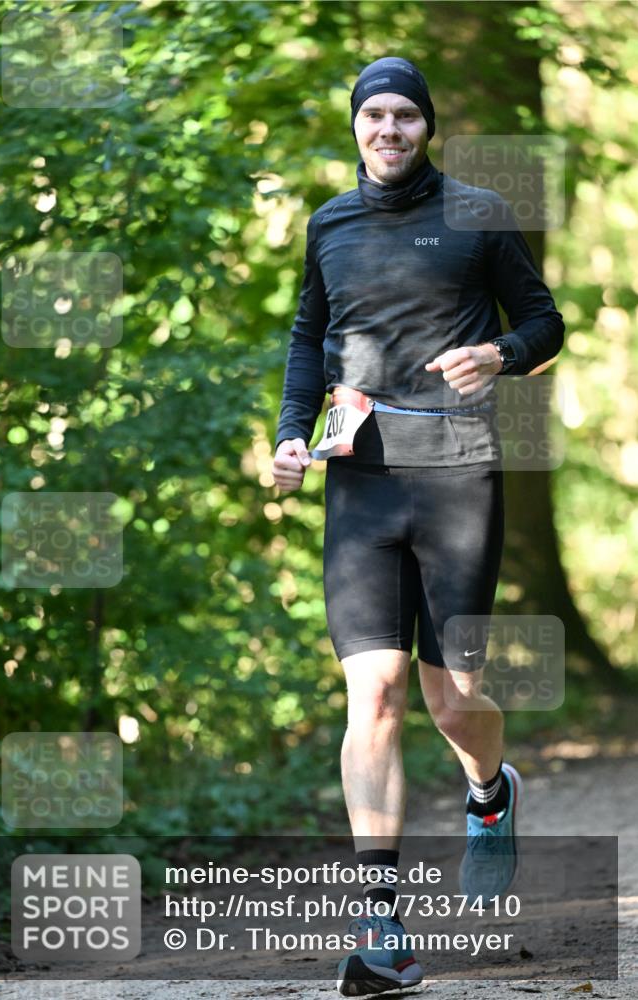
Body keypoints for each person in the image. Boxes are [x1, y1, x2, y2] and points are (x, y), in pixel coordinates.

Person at [271, 56, 564, 997]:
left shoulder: (478, 213)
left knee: (454, 699)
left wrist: (500, 353)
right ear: (355, 127)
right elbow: (305, 343)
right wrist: (286, 440)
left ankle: (489, 795)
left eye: (403, 115)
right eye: (373, 116)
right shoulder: (328, 223)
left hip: (455, 478)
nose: (387, 130)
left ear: (426, 126)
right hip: (357, 479)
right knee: (377, 697)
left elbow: (544, 320)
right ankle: (379, 922)